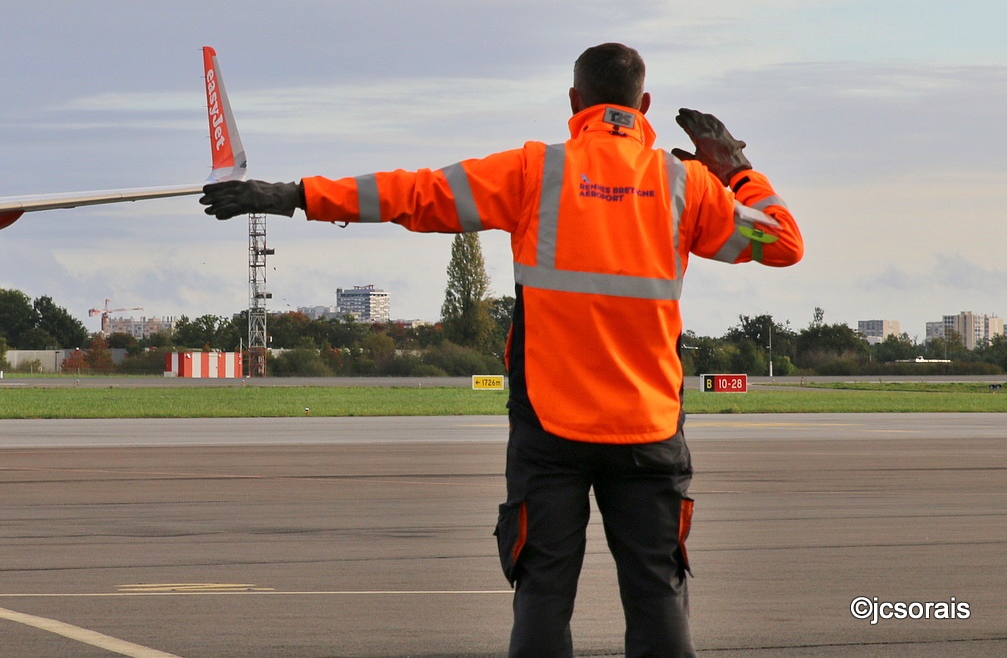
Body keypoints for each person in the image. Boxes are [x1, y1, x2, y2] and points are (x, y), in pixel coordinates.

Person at [199, 43, 804, 657]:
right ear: (643, 105)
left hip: (551, 431)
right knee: (657, 595)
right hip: (648, 433)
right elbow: (783, 243)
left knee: (543, 593)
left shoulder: (532, 172)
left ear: (574, 103)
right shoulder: (687, 185)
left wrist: (291, 195)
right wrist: (735, 170)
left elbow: (414, 193)